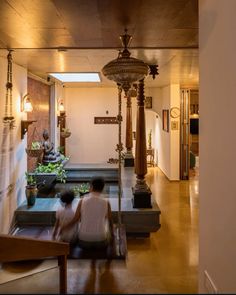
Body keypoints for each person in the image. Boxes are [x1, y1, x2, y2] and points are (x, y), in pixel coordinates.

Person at [61, 177, 114, 249]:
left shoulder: (82, 200)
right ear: (102, 188)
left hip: (83, 241)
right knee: (106, 223)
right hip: (101, 241)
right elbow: (110, 220)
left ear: (91, 187)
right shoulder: (106, 202)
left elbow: (75, 219)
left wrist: (64, 228)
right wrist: (113, 235)